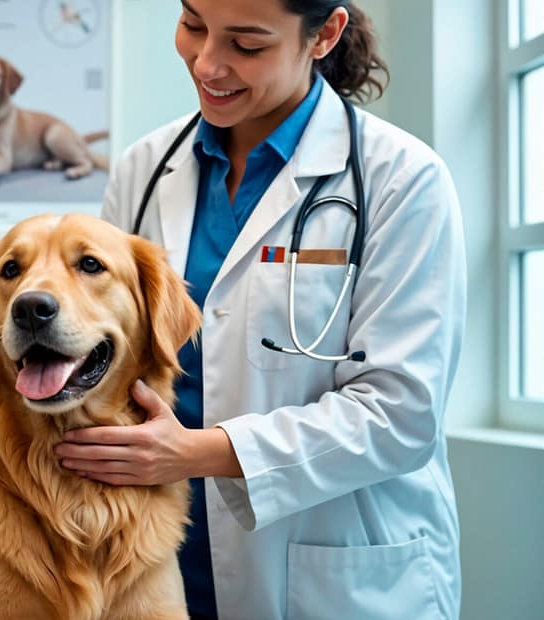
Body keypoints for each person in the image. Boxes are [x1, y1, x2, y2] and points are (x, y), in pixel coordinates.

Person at [53, 1, 466, 618]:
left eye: (246, 45)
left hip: (330, 573)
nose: (207, 63)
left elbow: (399, 414)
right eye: (193, 25)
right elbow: (105, 351)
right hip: (151, 558)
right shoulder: (144, 170)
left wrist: (198, 453)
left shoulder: (401, 180)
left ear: (324, 34)